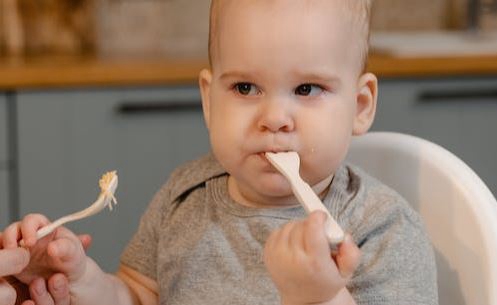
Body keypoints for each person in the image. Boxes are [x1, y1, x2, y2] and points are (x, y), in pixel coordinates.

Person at [1, 0, 438, 304]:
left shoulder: (381, 229)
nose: (275, 117)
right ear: (210, 101)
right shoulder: (183, 196)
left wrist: (319, 298)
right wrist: (79, 280)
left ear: (359, 106)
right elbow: (137, 295)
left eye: (307, 89)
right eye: (246, 87)